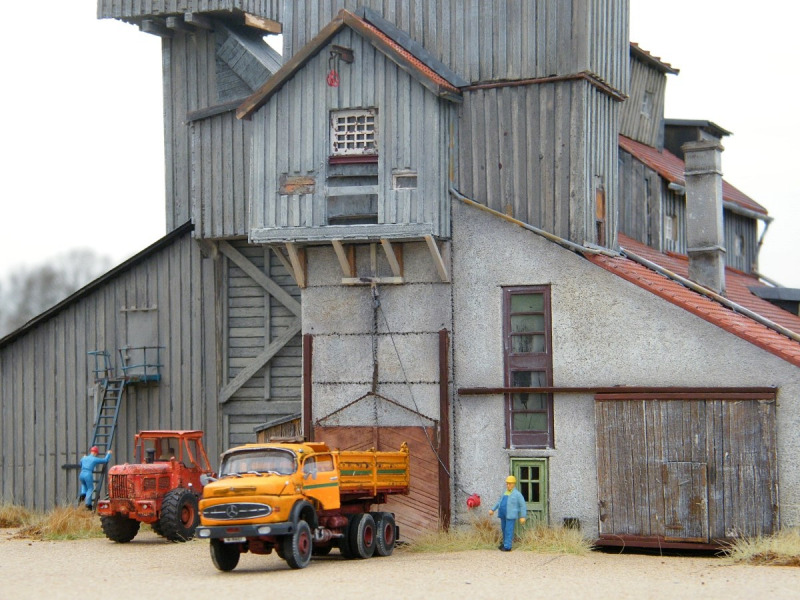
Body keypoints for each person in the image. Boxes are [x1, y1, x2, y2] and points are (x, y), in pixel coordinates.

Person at [489, 475, 527, 551]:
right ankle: (505, 543)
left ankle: (508, 546)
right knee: (503, 529)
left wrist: (523, 516)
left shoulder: (517, 494)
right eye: (507, 483)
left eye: (510, 483)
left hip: (510, 515)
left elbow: (522, 505)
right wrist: (493, 509)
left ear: (514, 484)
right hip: (503, 514)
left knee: (508, 530)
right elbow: (499, 502)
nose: (508, 485)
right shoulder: (505, 492)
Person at [79, 446, 112, 510]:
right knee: (90, 488)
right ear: (95, 453)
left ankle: (82, 495)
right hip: (88, 474)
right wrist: (109, 454)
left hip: (81, 474)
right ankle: (88, 505)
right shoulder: (94, 459)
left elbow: (80, 464)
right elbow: (105, 460)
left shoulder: (84, 458)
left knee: (83, 485)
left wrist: (83, 458)